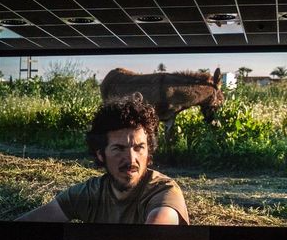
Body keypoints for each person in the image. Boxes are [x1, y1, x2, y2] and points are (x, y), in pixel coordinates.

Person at [16, 93, 189, 225]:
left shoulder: (164, 192)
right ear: (100, 154)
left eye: (139, 148)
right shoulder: (91, 193)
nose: (131, 159)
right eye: (119, 149)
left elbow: (155, 234)